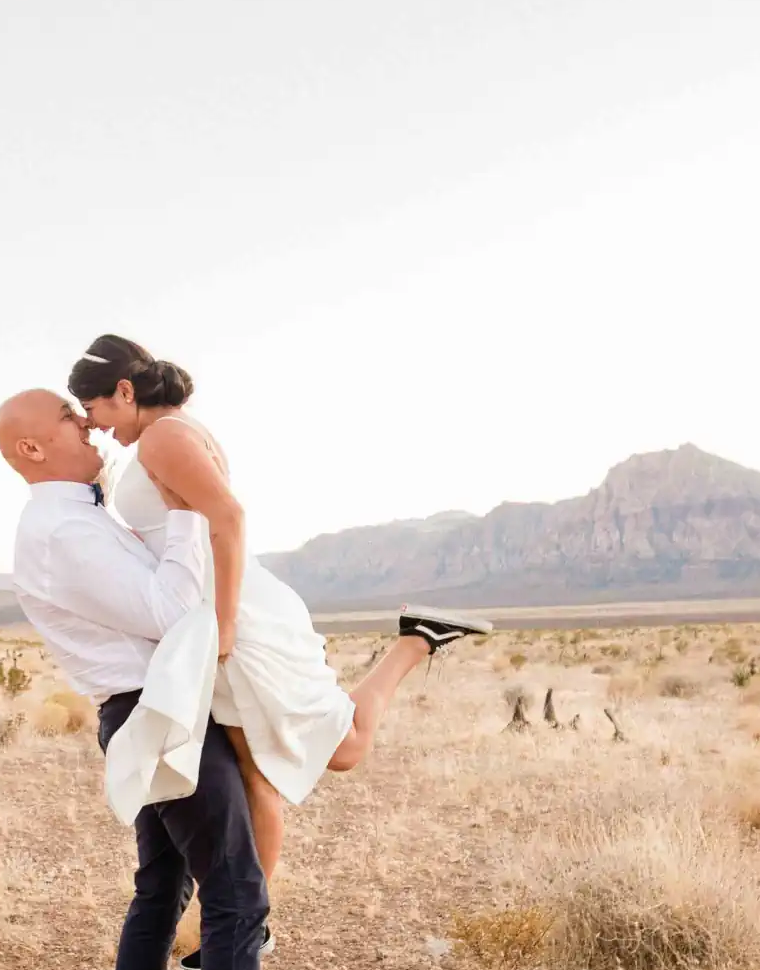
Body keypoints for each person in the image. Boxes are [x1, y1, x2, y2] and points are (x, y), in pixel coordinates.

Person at [67, 335, 487, 916]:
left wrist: (226, 621)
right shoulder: (173, 431)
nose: (96, 425)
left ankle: (415, 642)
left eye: (94, 409)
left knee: (337, 751)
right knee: (252, 769)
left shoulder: (164, 435)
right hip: (216, 610)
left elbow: (229, 518)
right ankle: (243, 922)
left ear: (125, 390)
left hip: (235, 612)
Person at [0, 386, 269, 970]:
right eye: (70, 419)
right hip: (155, 712)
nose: (88, 424)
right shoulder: (59, 533)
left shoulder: (83, 518)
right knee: (235, 888)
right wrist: (184, 516)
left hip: (151, 707)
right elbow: (170, 608)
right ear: (32, 448)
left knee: (163, 889)